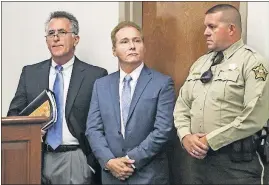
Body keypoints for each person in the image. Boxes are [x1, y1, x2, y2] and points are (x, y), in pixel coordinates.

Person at [7, 11, 108, 184]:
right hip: (37, 156)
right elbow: (13, 115)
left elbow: (103, 122)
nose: (56, 38)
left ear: (76, 39)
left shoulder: (95, 75)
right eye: (51, 34)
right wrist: (29, 132)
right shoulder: (30, 73)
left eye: (62, 32)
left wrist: (90, 163)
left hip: (76, 158)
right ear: (46, 40)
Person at [174, 4, 269, 184]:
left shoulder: (253, 63)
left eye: (212, 27)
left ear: (231, 29)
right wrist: (185, 135)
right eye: (205, 27)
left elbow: (254, 116)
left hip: (235, 165)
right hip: (197, 163)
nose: (205, 33)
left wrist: (210, 140)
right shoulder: (200, 64)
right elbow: (182, 105)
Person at [85, 21, 175, 184]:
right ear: (114, 50)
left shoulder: (162, 83)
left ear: (144, 46)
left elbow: (163, 130)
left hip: (149, 176)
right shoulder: (101, 85)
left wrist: (128, 161)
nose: (132, 46)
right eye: (124, 42)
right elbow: (93, 129)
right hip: (111, 175)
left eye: (137, 40)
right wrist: (109, 162)